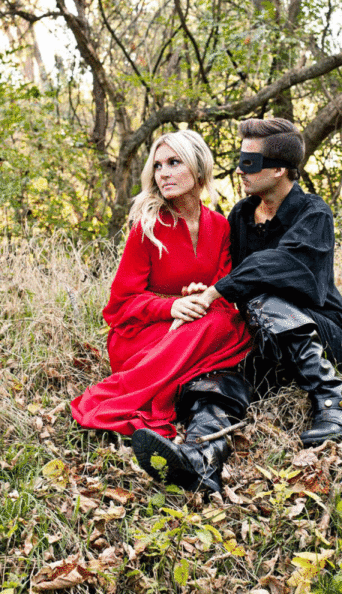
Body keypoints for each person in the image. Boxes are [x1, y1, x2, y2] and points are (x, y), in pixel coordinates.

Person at [133, 118, 342, 490]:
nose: (240, 169)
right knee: (214, 378)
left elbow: (276, 266)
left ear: (278, 169)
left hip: (321, 336)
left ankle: (334, 402)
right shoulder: (240, 215)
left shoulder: (313, 214)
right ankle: (201, 456)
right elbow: (227, 274)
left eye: (250, 163)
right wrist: (203, 289)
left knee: (263, 296)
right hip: (264, 343)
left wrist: (219, 289)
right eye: (241, 160)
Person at [71, 129, 252, 493]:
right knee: (223, 330)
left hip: (195, 328)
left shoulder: (220, 226)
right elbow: (120, 305)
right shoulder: (148, 227)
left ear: (198, 170)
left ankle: (197, 449)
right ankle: (120, 397)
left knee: (229, 322)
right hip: (144, 336)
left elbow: (223, 286)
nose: (163, 173)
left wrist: (202, 295)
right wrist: (172, 307)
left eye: (174, 163)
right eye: (157, 166)